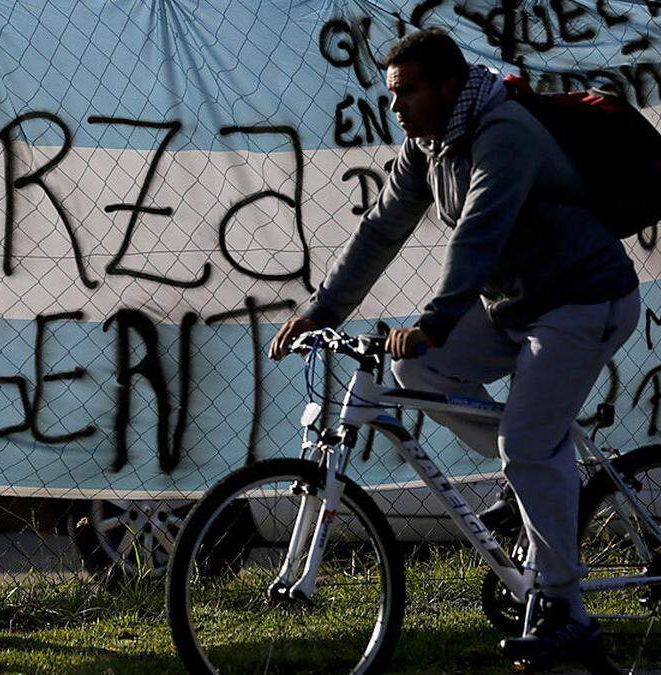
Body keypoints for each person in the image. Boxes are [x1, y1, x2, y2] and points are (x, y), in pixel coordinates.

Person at [269, 28, 641, 667]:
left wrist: (437, 318)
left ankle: (567, 612)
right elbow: (380, 229)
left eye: (407, 91)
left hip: (582, 303)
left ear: (447, 85)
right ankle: (535, 479)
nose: (397, 107)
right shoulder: (428, 145)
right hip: (516, 307)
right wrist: (322, 309)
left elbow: (478, 235)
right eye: (392, 94)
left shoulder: (506, 135)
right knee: (415, 365)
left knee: (524, 440)